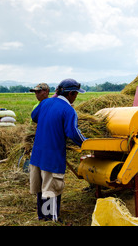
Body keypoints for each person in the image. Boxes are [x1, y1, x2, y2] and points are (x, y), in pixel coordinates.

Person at [29, 78, 87, 223]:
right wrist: (87, 144)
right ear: (71, 93)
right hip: (52, 156)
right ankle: (49, 219)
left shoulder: (45, 103)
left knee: (42, 187)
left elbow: (34, 116)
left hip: (37, 154)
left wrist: (52, 99)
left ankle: (42, 216)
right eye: (76, 94)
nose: (76, 97)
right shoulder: (68, 110)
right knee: (50, 188)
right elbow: (73, 132)